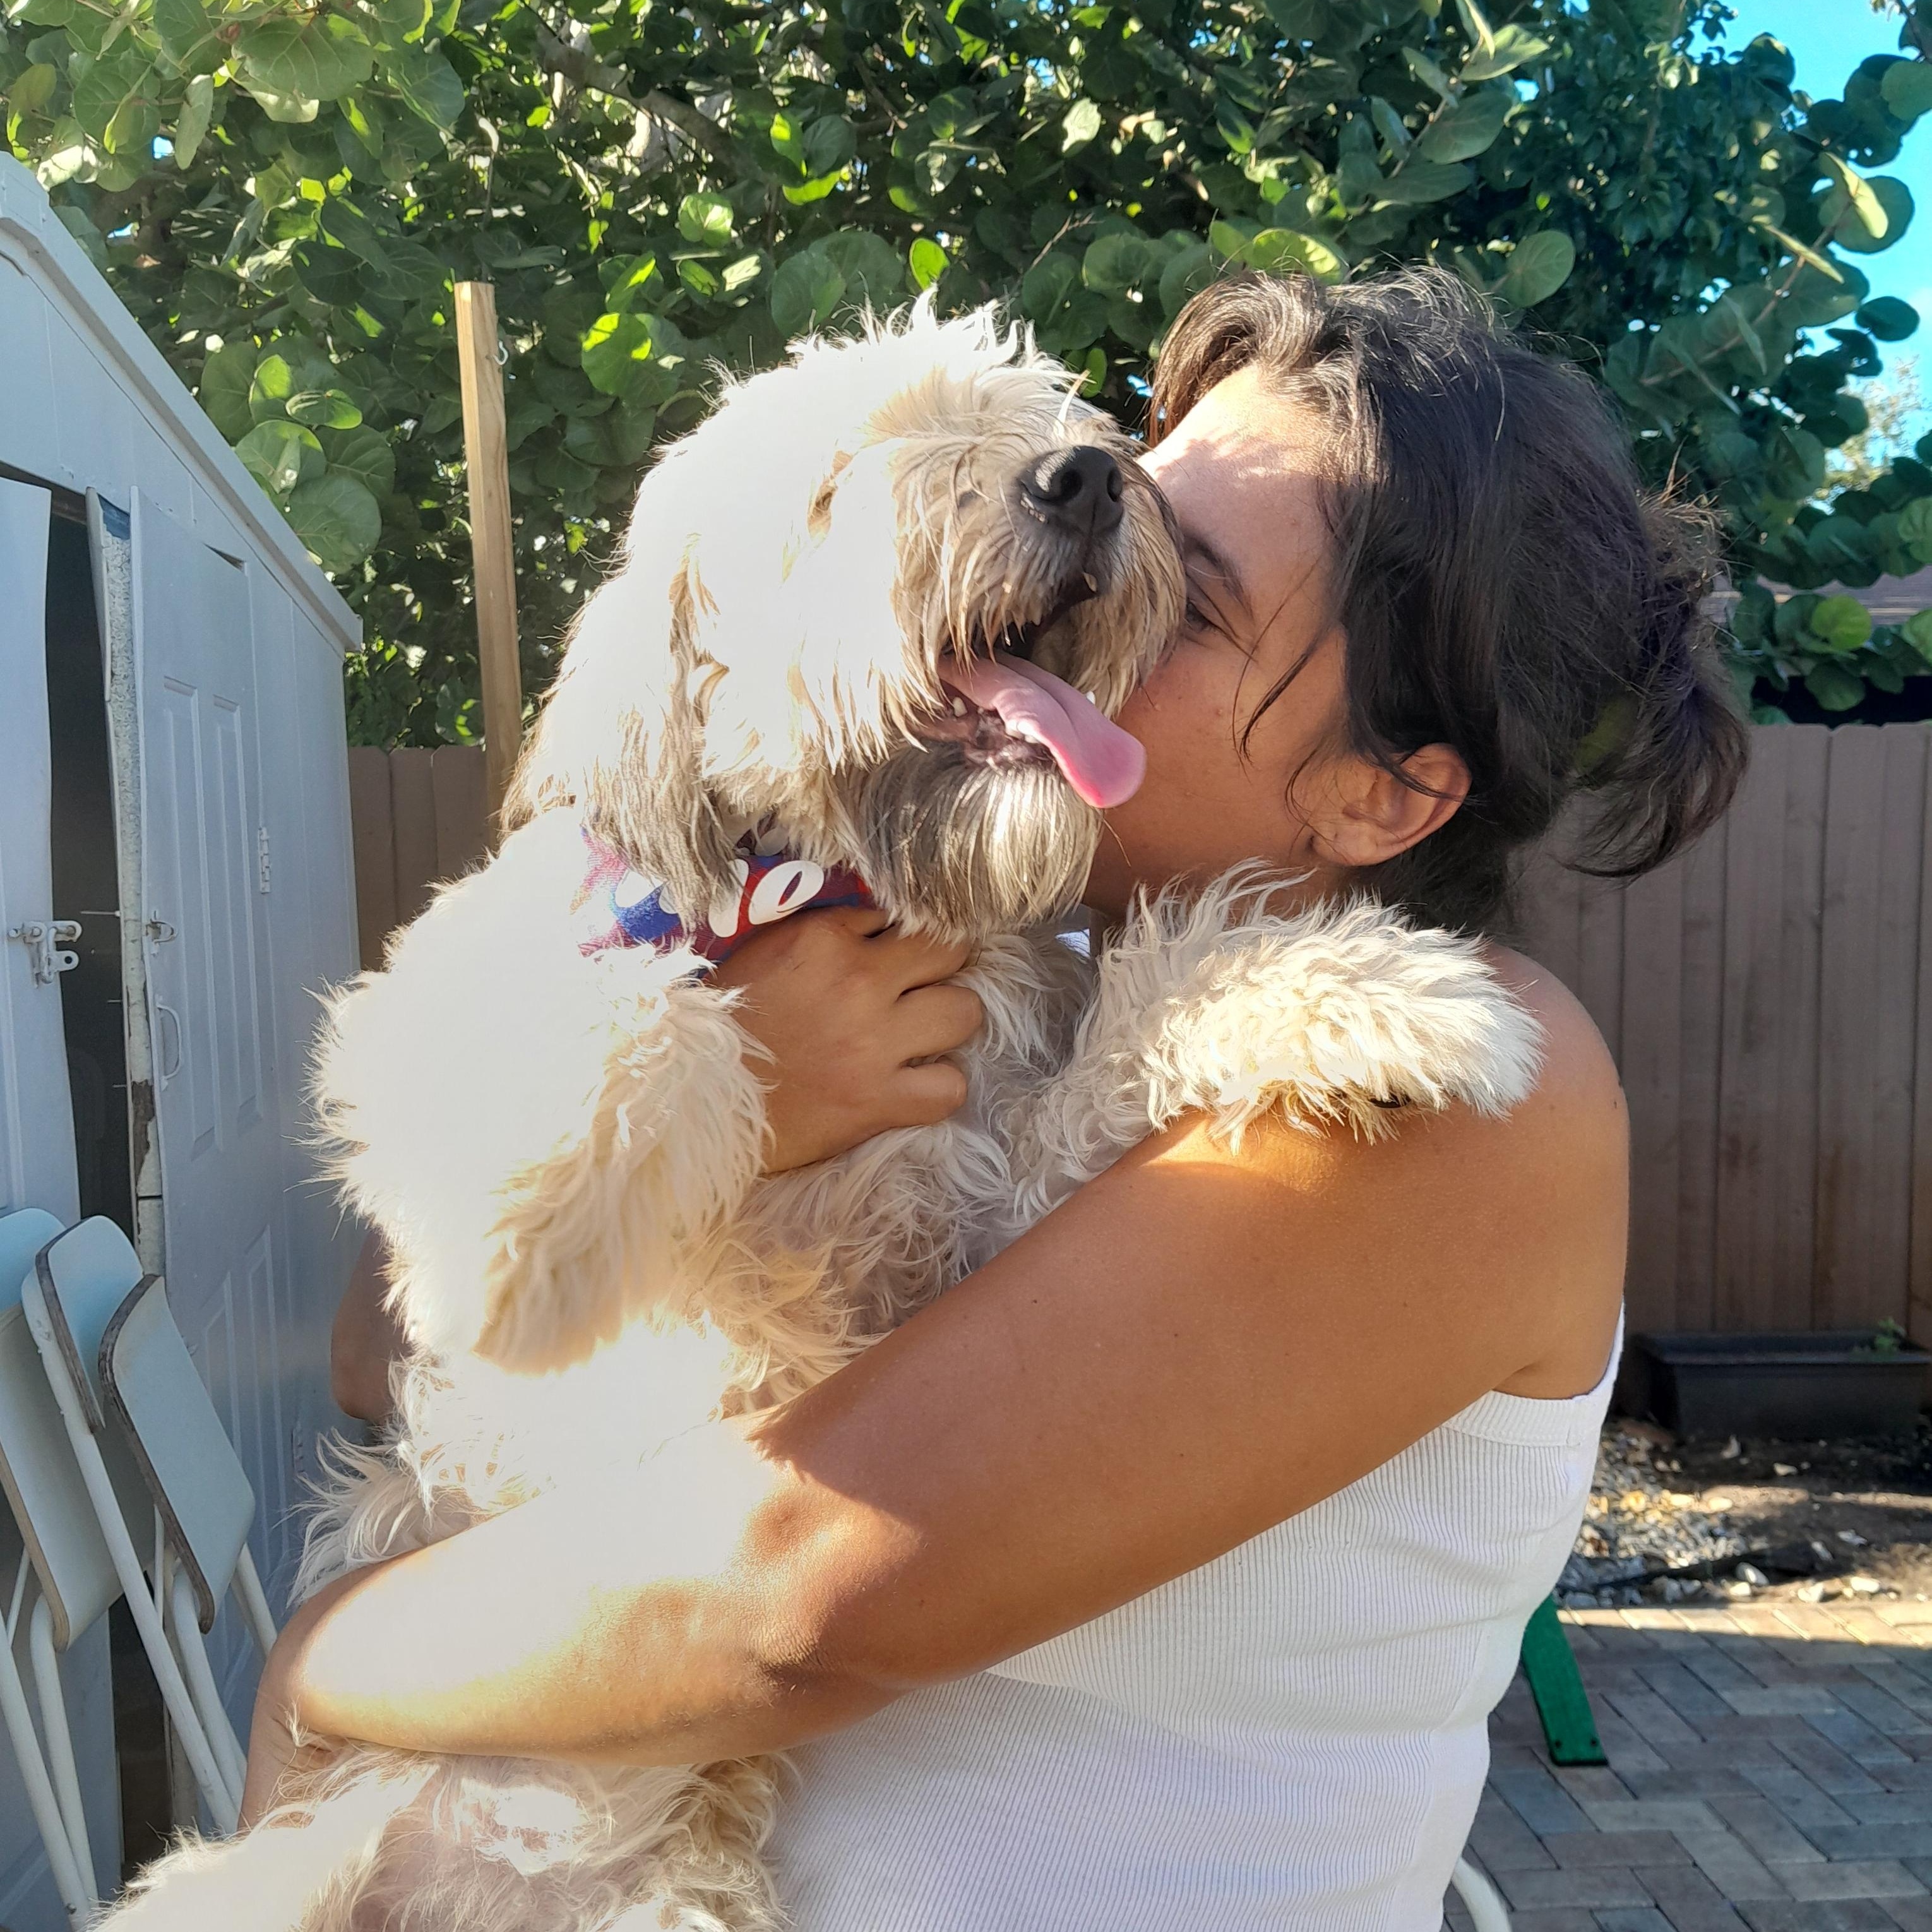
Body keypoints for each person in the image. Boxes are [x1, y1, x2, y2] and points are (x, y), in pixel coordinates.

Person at [247, 268, 1744, 1928]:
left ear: (1380, 796)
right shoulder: (987, 958)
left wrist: (325, 1658)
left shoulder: (1461, 1098)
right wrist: (727, 1091)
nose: (1095, 571)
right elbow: (387, 1336)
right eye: (1129, 512)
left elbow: (792, 1592)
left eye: (1178, 601)